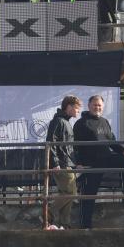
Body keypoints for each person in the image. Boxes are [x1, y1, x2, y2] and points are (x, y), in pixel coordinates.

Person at [73, 95, 124, 229]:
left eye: (99, 105)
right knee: (89, 195)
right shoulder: (81, 123)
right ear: (89, 106)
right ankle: (85, 226)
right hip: (91, 163)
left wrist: (123, 151)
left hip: (106, 158)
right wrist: (78, 163)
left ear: (102, 107)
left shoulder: (104, 122)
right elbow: (75, 146)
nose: (97, 107)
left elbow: (112, 141)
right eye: (95, 105)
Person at [45, 95, 82, 229]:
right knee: (71, 193)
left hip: (66, 163)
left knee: (68, 194)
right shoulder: (59, 121)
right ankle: (47, 214)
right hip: (62, 163)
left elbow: (66, 146)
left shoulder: (64, 121)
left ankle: (63, 224)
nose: (78, 111)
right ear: (69, 107)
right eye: (77, 108)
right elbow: (51, 142)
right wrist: (55, 163)